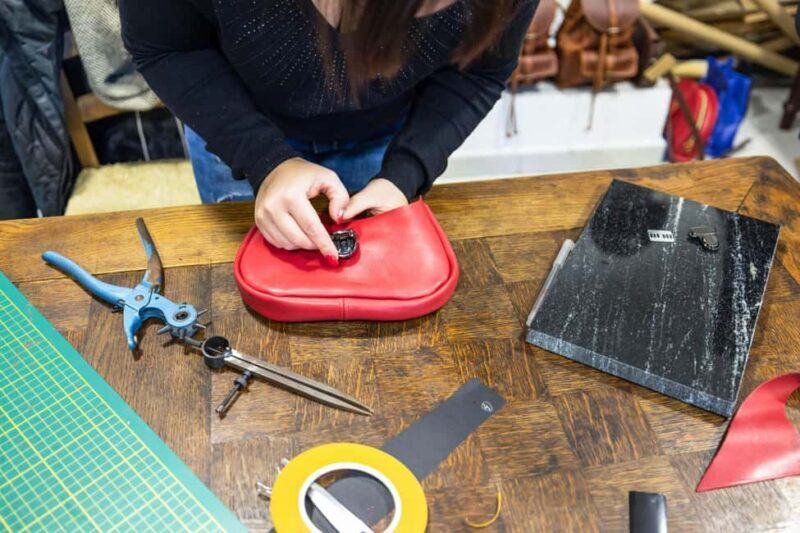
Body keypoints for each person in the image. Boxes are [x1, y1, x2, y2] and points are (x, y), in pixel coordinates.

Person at [120, 0, 536, 264]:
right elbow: (167, 47)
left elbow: (480, 70)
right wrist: (265, 160)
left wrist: (404, 173)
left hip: (389, 139)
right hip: (236, 131)